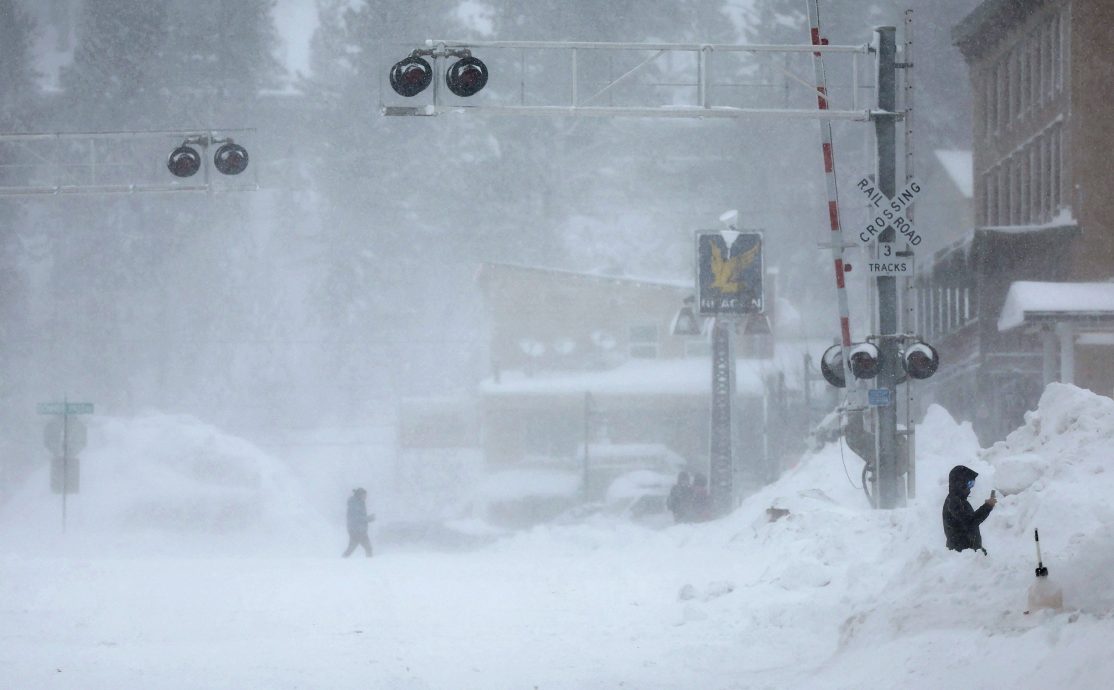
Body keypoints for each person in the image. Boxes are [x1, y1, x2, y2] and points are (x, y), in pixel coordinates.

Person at [942, 465, 996, 554]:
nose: (971, 488)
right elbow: (970, 522)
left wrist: (979, 549)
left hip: (965, 553)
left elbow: (969, 524)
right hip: (961, 556)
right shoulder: (954, 502)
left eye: (973, 484)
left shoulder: (959, 501)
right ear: (960, 483)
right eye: (970, 483)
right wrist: (988, 506)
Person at [342, 487, 376, 558]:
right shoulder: (355, 504)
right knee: (367, 548)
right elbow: (356, 518)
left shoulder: (359, 502)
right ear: (359, 495)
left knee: (353, 547)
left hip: (358, 529)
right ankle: (370, 564)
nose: (366, 497)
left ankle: (342, 559)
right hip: (357, 530)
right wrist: (368, 518)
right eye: (364, 495)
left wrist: (367, 519)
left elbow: (359, 517)